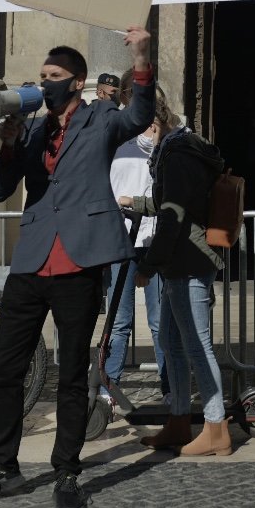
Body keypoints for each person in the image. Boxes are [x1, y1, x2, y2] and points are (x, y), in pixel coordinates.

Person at [0, 26, 155, 508]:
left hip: (78, 261)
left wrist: (142, 59)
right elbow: (0, 190)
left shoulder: (101, 117)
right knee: (6, 369)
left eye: (55, 75)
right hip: (32, 260)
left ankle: (66, 470)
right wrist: (8, 145)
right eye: (42, 75)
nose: (45, 82)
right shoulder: (32, 127)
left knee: (70, 376)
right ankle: (2, 464)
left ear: (77, 81)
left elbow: (140, 116)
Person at [124, 95, 231, 456]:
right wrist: (135, 203)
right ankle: (179, 421)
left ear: (153, 124)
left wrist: (148, 266)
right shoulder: (175, 149)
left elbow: (174, 216)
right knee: (172, 343)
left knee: (197, 345)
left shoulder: (178, 154)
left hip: (189, 261)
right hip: (180, 262)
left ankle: (216, 428)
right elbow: (172, 200)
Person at [102, 74, 169, 399]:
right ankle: (108, 390)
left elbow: (167, 191)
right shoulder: (115, 138)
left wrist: (157, 146)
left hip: (155, 241)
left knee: (159, 322)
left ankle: (170, 389)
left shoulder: (169, 141)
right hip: (121, 239)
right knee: (119, 320)